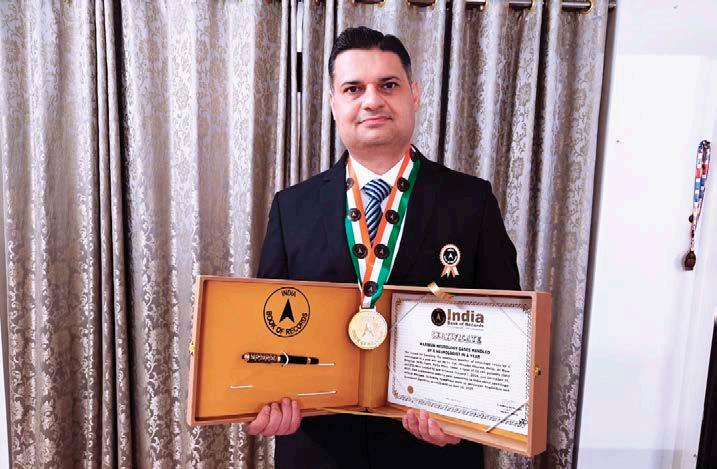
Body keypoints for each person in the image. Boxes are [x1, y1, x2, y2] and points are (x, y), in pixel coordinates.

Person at [250, 26, 520, 468]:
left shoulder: (472, 201)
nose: (372, 100)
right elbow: (267, 328)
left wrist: (470, 420)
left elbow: (507, 327)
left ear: (414, 94)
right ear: (334, 102)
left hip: (433, 453)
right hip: (317, 451)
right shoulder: (290, 207)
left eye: (388, 85)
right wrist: (260, 399)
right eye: (353, 88)